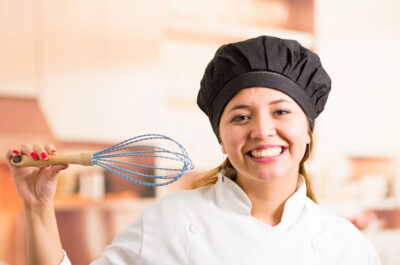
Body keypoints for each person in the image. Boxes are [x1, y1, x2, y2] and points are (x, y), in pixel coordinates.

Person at [6, 36, 381, 265]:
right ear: (221, 139)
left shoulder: (346, 246)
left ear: (309, 131)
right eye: (240, 117)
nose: (262, 130)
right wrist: (38, 207)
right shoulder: (170, 221)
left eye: (281, 111)